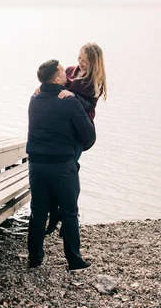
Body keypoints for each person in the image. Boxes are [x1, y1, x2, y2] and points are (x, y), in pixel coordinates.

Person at [26, 59, 96, 272]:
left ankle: (35, 258)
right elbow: (88, 136)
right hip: (61, 164)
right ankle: (74, 260)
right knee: (69, 211)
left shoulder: (34, 98)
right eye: (63, 72)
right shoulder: (69, 101)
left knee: (38, 211)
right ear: (57, 79)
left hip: (36, 164)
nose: (68, 74)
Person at [45, 42, 108, 235]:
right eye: (79, 58)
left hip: (79, 131)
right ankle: (55, 213)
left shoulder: (95, 81)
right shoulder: (71, 71)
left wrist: (70, 94)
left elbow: (88, 105)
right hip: (63, 129)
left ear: (94, 62)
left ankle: (69, 215)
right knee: (57, 173)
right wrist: (43, 88)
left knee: (68, 173)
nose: (80, 62)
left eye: (84, 60)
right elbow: (54, 83)